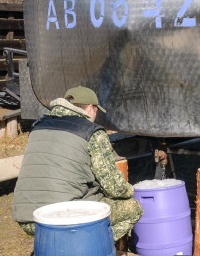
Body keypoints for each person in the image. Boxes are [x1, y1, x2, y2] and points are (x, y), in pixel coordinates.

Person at [12, 86, 142, 240]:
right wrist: (130, 191)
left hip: (29, 217)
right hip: (65, 217)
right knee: (134, 208)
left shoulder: (38, 127)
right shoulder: (92, 132)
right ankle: (91, 250)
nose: (95, 115)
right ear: (89, 109)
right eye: (96, 111)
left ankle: (66, 249)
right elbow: (113, 187)